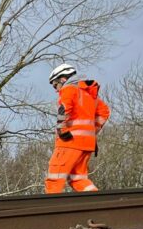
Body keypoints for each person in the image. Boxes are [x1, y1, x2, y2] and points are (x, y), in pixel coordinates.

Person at [45, 63, 110, 194]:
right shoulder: (91, 95)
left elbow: (64, 109)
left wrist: (61, 130)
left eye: (55, 85)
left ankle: (50, 210)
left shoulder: (69, 89)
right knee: (78, 179)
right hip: (87, 145)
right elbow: (104, 112)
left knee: (55, 177)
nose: (56, 89)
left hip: (69, 141)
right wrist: (91, 133)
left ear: (63, 79)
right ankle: (97, 204)